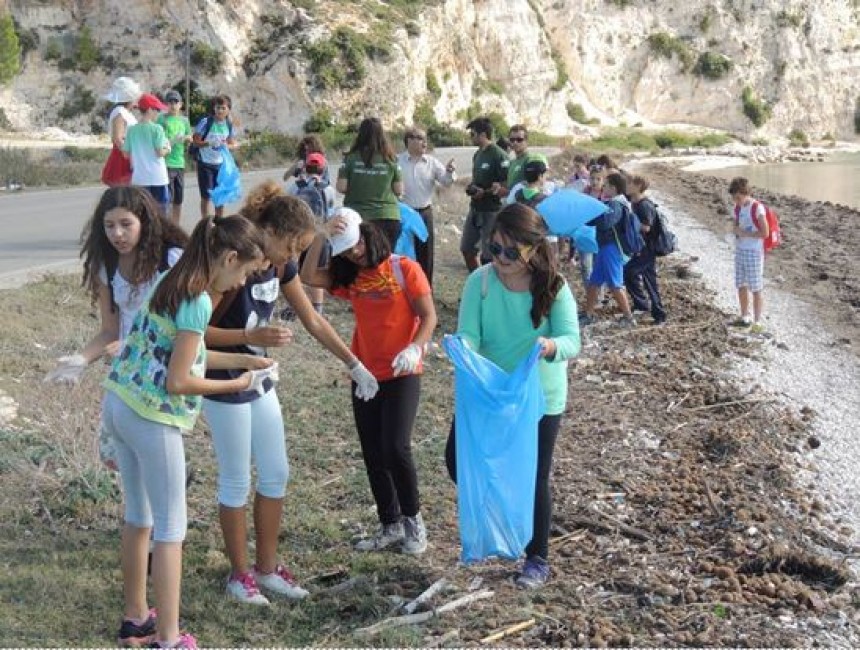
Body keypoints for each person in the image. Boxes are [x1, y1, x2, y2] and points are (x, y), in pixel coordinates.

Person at [101, 215, 273, 648]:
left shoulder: (173, 280)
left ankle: (136, 617)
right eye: (244, 272)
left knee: (139, 517)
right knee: (171, 529)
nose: (239, 283)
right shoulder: (198, 300)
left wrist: (244, 361)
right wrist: (235, 385)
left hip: (121, 402)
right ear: (230, 258)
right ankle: (169, 638)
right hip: (153, 418)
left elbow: (184, 353)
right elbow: (179, 380)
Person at [204, 189, 379, 606]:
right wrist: (250, 339)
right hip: (224, 380)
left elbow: (313, 318)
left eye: (300, 250)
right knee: (235, 479)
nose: (292, 258)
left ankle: (267, 569)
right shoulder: (233, 263)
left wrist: (353, 363)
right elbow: (195, 333)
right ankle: (239, 575)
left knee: (276, 473)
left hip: (260, 379)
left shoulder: (280, 267)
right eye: (292, 247)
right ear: (268, 232)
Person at [444, 203, 580, 588]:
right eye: (494, 248)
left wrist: (551, 346)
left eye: (510, 251)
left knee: (535, 476)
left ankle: (537, 557)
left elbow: (573, 340)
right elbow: (471, 331)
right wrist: (462, 348)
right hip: (488, 394)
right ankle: (504, 515)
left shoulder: (554, 287)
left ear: (533, 249)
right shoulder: (480, 283)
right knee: (457, 460)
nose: (500, 258)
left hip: (539, 397)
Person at [301, 209, 437, 555]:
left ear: (369, 232)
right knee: (373, 452)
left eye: (357, 244)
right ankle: (389, 524)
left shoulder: (402, 268)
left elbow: (428, 315)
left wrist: (415, 347)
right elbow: (307, 274)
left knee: (396, 446)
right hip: (366, 374)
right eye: (346, 250)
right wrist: (321, 234)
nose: (355, 252)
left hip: (403, 370)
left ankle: (413, 521)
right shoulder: (351, 276)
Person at [44, 186, 189, 468]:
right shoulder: (105, 265)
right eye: (109, 225)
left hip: (162, 373)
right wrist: (81, 359)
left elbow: (186, 328)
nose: (117, 234)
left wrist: (137, 344)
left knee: (157, 459)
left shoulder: (171, 260)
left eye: (126, 224)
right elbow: (110, 331)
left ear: (144, 223)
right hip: (124, 372)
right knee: (117, 458)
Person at [396, 125, 456, 285]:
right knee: (403, 254)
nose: (425, 143)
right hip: (403, 214)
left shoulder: (432, 162)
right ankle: (405, 289)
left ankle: (425, 290)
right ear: (409, 140)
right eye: (420, 139)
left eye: (425, 139)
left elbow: (446, 182)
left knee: (426, 254)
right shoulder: (397, 162)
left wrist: (449, 171)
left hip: (424, 213)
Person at [579, 172, 636, 327]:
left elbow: (605, 223)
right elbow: (601, 221)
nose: (603, 187)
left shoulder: (615, 204)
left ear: (614, 188)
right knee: (594, 281)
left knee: (615, 283)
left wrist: (591, 215)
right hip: (605, 247)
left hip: (611, 248)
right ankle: (588, 313)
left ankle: (629, 317)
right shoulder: (614, 203)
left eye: (606, 185)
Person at [337, 117, 404, 248]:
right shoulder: (391, 159)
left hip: (358, 217)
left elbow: (341, 187)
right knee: (384, 261)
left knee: (360, 262)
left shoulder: (350, 158)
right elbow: (398, 190)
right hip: (388, 216)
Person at [286, 152, 336, 314]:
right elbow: (331, 210)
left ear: (305, 167)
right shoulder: (328, 188)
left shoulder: (296, 186)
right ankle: (317, 307)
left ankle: (295, 304)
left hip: (299, 233)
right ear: (323, 169)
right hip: (319, 234)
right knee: (316, 269)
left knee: (295, 270)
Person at [460, 116, 510, 271]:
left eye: (472, 134)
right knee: (467, 249)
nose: (470, 138)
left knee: (488, 257)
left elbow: (506, 185)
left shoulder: (499, 155)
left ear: (482, 134)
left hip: (492, 211)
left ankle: (489, 291)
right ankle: (475, 285)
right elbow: (477, 179)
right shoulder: (477, 154)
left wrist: (486, 192)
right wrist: (472, 187)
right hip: (475, 208)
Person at [624, 175, 667, 325]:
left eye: (629, 183)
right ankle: (646, 306)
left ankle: (657, 313)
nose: (627, 185)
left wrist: (631, 221)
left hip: (648, 248)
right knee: (641, 277)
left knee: (633, 273)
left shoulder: (644, 205)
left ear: (638, 186)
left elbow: (647, 228)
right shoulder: (634, 202)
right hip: (642, 248)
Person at [729, 176, 769, 333]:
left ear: (745, 193)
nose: (736, 201)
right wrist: (736, 231)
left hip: (753, 251)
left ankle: (757, 322)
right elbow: (737, 225)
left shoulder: (757, 208)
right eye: (734, 198)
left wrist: (744, 233)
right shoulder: (738, 208)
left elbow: (765, 233)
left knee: (756, 286)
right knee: (741, 284)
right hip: (740, 250)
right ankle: (745, 316)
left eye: (738, 197)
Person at [123, 93, 171, 216]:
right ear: (149, 109)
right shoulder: (157, 129)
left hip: (139, 178)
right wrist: (168, 148)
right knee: (161, 212)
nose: (158, 113)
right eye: (157, 109)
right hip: (157, 177)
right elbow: (160, 152)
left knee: (142, 212)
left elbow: (126, 154)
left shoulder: (131, 130)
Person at [193, 95, 237, 219]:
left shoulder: (229, 124)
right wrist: (209, 143)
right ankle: (205, 223)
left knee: (220, 196)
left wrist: (228, 146)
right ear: (214, 108)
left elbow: (231, 142)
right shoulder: (206, 122)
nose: (220, 111)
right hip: (205, 163)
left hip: (221, 165)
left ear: (228, 110)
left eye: (223, 108)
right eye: (218, 108)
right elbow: (195, 142)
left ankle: (219, 222)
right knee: (206, 197)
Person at [158, 90, 193, 224]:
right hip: (166, 162)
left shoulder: (184, 120)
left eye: (175, 102)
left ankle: (176, 225)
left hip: (180, 163)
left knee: (179, 199)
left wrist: (186, 139)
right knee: (168, 199)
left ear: (181, 104)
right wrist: (172, 140)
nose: (173, 105)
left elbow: (190, 137)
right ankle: (167, 225)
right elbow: (158, 139)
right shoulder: (162, 119)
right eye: (170, 102)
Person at [102, 77, 142, 187]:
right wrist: (129, 155)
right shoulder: (119, 112)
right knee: (123, 190)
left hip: (127, 152)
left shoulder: (125, 112)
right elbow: (118, 138)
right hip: (123, 155)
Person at [505, 125, 546, 191]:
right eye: (512, 140)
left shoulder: (532, 160)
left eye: (519, 139)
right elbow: (511, 186)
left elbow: (540, 185)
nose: (515, 142)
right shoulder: (512, 162)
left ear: (526, 141)